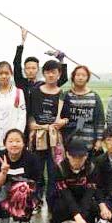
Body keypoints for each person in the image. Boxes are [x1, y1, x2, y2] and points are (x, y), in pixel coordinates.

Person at [28, 59, 66, 212]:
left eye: (54, 72)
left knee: (53, 172)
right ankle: (36, 201)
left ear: (59, 74)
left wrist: (63, 121)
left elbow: (67, 116)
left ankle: (52, 203)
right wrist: (31, 123)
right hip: (38, 137)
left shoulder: (63, 94)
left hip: (55, 138)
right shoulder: (35, 91)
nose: (51, 75)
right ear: (43, 73)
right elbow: (29, 113)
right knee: (36, 171)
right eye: (48, 72)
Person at [47, 138, 102, 223]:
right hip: (65, 200)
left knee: (93, 206)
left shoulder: (91, 168)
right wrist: (77, 217)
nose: (77, 161)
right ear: (67, 155)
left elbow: (89, 195)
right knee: (58, 205)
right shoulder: (59, 169)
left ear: (86, 156)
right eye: (74, 157)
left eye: (80, 157)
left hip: (83, 199)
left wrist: (82, 219)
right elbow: (65, 194)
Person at [0, 129, 40, 223]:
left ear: (23, 143)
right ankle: (4, 217)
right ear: (5, 143)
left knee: (23, 187)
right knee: (1, 190)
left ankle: (24, 222)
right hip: (2, 192)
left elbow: (36, 183)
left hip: (24, 193)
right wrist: (3, 172)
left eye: (18, 141)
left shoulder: (32, 158)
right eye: (11, 141)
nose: (14, 144)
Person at [59, 65, 105, 154]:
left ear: (87, 78)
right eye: (78, 75)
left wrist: (99, 140)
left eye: (84, 75)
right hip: (69, 140)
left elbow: (100, 120)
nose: (80, 78)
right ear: (73, 77)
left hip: (89, 142)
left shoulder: (94, 97)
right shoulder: (66, 96)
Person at [0, 62, 27, 154]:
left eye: (6, 73)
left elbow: (22, 117)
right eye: (1, 73)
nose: (4, 76)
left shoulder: (18, 92)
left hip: (14, 143)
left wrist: (16, 138)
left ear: (11, 74)